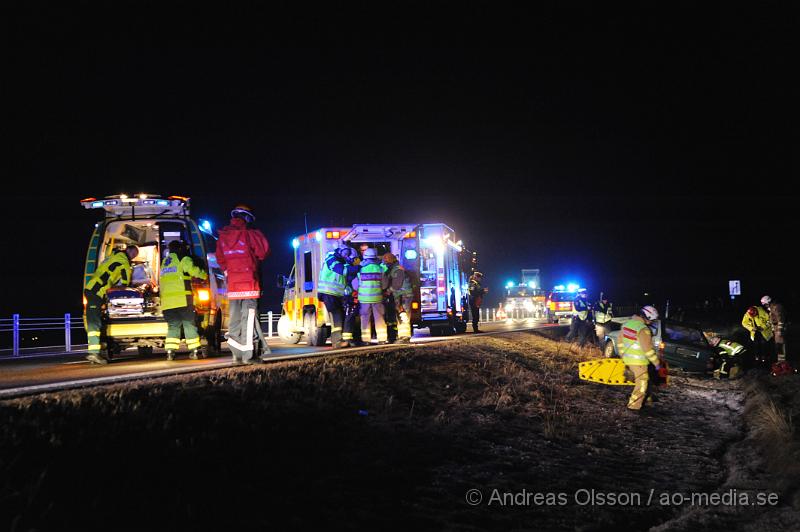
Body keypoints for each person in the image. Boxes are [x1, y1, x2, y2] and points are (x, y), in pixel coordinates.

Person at [216, 204, 270, 364]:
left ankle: (236, 354)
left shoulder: (223, 236)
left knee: (235, 318)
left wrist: (229, 271)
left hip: (233, 285)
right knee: (249, 317)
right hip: (249, 283)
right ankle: (248, 356)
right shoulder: (251, 234)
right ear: (247, 218)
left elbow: (220, 259)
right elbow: (263, 252)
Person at [83, 246, 140, 364]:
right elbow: (126, 282)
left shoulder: (112, 257)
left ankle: (96, 352)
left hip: (92, 289)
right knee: (94, 323)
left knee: (96, 321)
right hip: (96, 291)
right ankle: (94, 353)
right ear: (128, 251)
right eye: (133, 254)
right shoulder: (124, 261)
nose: (133, 257)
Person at [159, 240, 208, 361]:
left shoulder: (164, 262)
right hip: (183, 300)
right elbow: (193, 271)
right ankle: (194, 351)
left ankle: (170, 352)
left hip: (167, 303)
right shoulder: (183, 258)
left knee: (173, 326)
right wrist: (204, 275)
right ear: (180, 248)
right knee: (188, 324)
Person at [620, 305, 662, 412]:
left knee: (641, 382)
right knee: (642, 385)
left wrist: (623, 356)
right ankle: (634, 406)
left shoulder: (627, 324)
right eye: (652, 319)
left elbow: (620, 342)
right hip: (639, 362)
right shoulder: (643, 329)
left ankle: (645, 399)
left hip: (628, 360)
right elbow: (647, 350)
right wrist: (657, 363)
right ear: (647, 316)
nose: (652, 322)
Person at [318, 246, 355, 348]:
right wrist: (356, 267)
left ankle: (342, 340)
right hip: (328, 292)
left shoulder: (342, 261)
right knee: (336, 315)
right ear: (339, 251)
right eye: (345, 253)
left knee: (340, 315)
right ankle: (337, 341)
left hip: (336, 294)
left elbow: (348, 276)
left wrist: (352, 264)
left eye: (348, 254)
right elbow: (341, 270)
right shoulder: (331, 259)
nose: (346, 255)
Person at [353, 248, 388, 344]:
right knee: (379, 318)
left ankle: (366, 340)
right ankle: (382, 339)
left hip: (364, 300)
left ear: (365, 258)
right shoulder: (380, 269)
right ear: (375, 258)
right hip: (377, 298)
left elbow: (355, 286)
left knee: (365, 319)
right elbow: (384, 285)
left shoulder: (360, 270)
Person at [384, 252, 413, 343]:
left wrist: (388, 291)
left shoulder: (397, 270)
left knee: (403, 315)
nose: (386, 264)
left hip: (404, 295)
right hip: (400, 295)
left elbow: (397, 284)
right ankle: (402, 336)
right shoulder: (394, 269)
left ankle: (405, 337)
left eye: (387, 262)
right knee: (400, 315)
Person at [342, 251, 361, 346]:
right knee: (349, 316)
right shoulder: (348, 267)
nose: (358, 260)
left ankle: (352, 338)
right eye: (356, 259)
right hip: (349, 296)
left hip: (351, 295)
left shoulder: (349, 267)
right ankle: (347, 339)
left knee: (352, 316)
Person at [761, 295, 788, 363]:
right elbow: (772, 321)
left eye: (765, 304)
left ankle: (782, 362)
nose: (765, 306)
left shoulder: (776, 307)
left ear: (768, 302)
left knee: (780, 345)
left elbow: (781, 319)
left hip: (779, 329)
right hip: (776, 329)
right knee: (778, 345)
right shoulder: (772, 308)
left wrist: (779, 330)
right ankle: (780, 361)